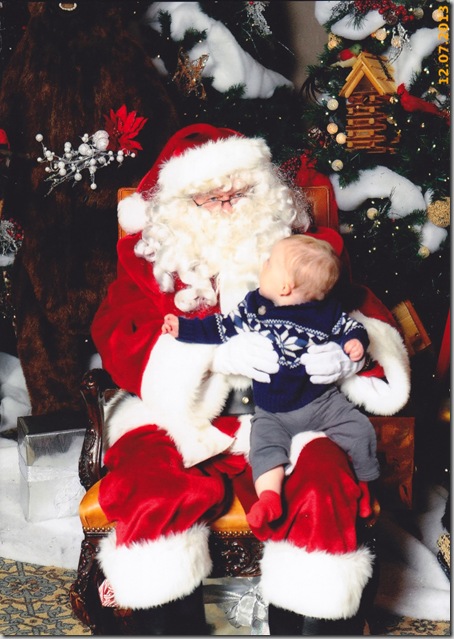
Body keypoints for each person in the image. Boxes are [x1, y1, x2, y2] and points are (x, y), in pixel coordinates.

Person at [91, 123, 411, 635]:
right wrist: (211, 356)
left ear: (264, 194)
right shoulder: (148, 264)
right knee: (147, 483)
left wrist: (344, 359)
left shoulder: (305, 255)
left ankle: (310, 624)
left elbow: (360, 316)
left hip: (292, 410)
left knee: (325, 481)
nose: (225, 207)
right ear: (177, 208)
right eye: (206, 199)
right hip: (183, 418)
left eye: (238, 193)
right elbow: (117, 336)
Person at [162, 233, 380, 535]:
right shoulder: (256, 307)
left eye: (270, 264)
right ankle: (269, 497)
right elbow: (223, 326)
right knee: (264, 447)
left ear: (285, 287)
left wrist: (354, 344)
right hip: (272, 410)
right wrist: (183, 328)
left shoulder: (326, 312)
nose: (263, 264)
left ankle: (366, 485)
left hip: (321, 403)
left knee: (359, 430)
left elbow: (352, 327)